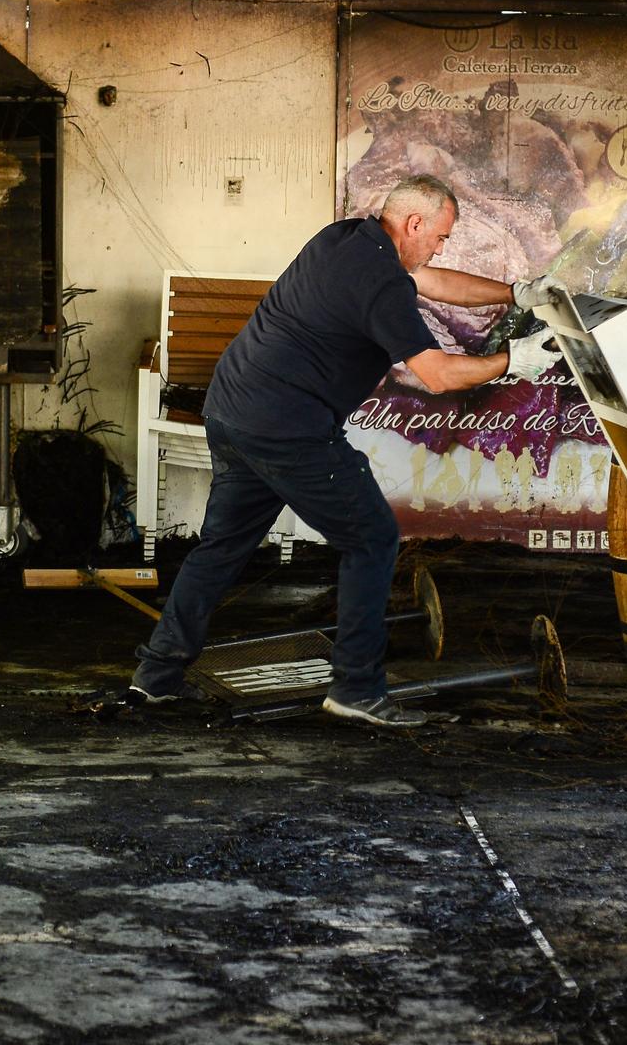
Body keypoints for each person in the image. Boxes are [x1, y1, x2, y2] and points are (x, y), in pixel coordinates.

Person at [128, 175, 563, 727]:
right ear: (414, 225)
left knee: (220, 549)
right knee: (373, 538)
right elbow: (436, 374)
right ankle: (356, 688)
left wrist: (514, 294)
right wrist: (512, 362)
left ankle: (156, 678)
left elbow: (431, 280)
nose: (441, 246)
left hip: (233, 410)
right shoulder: (381, 283)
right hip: (289, 427)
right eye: (441, 236)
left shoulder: (343, 238)